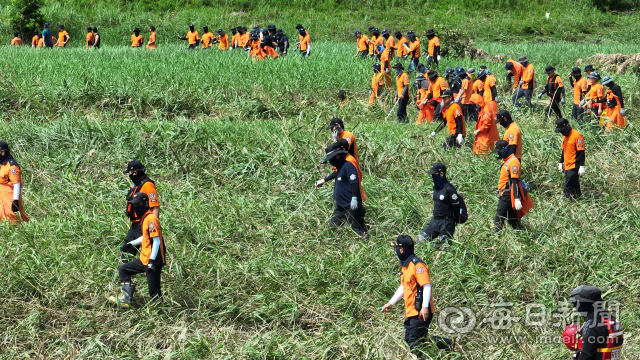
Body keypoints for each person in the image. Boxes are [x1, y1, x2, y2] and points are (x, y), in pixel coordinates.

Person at [381, 235, 453, 352]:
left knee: (415, 344)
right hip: (411, 310)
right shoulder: (406, 266)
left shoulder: (418, 265)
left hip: (420, 311)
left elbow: (427, 285)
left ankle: (440, 348)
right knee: (410, 340)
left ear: (402, 250)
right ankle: (448, 344)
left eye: (397, 248)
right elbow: (404, 287)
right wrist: (390, 303)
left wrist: (424, 307)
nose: (396, 251)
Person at [109, 192, 166, 308]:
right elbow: (146, 237)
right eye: (135, 204)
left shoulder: (151, 219)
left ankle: (163, 312)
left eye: (139, 204)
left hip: (153, 260)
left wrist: (152, 261)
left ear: (146, 204)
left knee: (154, 292)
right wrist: (130, 244)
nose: (136, 207)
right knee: (124, 269)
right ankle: (126, 299)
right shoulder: (144, 218)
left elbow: (156, 241)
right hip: (144, 258)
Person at [317, 141, 368, 237]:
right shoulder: (340, 167)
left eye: (330, 159)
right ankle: (335, 246)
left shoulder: (348, 165)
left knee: (358, 230)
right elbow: (336, 174)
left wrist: (354, 199)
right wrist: (323, 180)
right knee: (333, 228)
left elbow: (354, 183)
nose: (330, 162)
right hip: (340, 208)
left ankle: (367, 243)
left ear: (337, 156)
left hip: (350, 207)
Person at [565, 285, 623, 360]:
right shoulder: (612, 319)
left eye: (577, 302)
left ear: (586, 303)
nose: (575, 306)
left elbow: (587, 355)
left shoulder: (593, 324)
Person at [121, 161, 161, 260]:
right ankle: (126, 272)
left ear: (134, 173)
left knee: (149, 254)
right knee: (126, 253)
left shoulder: (147, 185)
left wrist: (152, 226)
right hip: (134, 224)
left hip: (143, 224)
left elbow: (155, 206)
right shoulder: (136, 185)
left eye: (129, 173)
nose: (129, 175)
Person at [417, 163, 461, 248]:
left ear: (442, 174)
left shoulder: (450, 189)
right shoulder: (436, 188)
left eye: (435, 174)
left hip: (446, 223)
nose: (433, 176)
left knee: (444, 248)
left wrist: (452, 222)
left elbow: (456, 207)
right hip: (434, 221)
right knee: (421, 239)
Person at [492, 140, 532, 232]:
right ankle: (522, 234)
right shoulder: (506, 161)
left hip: (508, 195)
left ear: (504, 150)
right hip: (504, 194)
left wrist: (517, 199)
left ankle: (496, 238)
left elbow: (515, 181)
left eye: (499, 151)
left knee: (499, 219)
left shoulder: (513, 163)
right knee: (513, 220)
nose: (497, 154)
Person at [555, 118, 585, 199]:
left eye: (562, 130)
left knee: (567, 187)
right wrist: (560, 162)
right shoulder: (564, 136)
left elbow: (581, 152)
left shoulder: (577, 135)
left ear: (567, 126)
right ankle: (579, 200)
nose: (561, 133)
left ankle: (570, 202)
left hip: (574, 166)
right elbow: (564, 150)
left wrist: (582, 166)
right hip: (567, 166)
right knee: (575, 187)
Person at [0, 142, 29, 224]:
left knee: (13, 217)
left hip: (11, 196)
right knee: (3, 217)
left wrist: (15, 200)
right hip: (3, 195)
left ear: (2, 152)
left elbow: (16, 184)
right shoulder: (4, 164)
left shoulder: (12, 166)